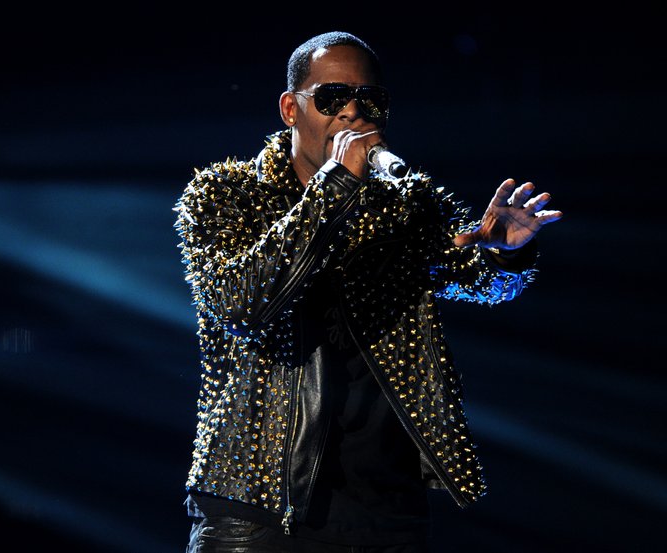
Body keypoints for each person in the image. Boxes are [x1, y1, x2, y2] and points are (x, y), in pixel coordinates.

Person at [174, 31, 562, 553]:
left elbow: (478, 283)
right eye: (333, 98)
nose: (353, 113)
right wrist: (333, 190)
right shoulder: (227, 193)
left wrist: (505, 251)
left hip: (386, 504)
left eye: (370, 100)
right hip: (262, 503)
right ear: (292, 108)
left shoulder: (404, 204)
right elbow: (241, 304)